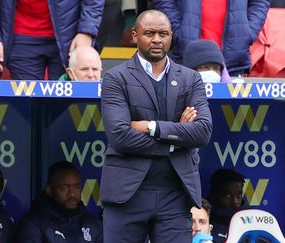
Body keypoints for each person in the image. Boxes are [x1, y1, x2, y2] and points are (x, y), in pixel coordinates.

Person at [100, 9, 213, 243]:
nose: (157, 40)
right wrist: (176, 140)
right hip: (127, 195)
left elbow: (202, 131)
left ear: (171, 36)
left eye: (163, 33)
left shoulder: (190, 78)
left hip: (175, 194)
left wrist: (153, 127)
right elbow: (120, 135)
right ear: (134, 36)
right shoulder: (116, 78)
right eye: (149, 33)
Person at [0, 0, 104, 80]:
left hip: (69, 36)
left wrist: (86, 31)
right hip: (20, 37)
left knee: (66, 105)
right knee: (26, 104)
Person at [152, 0, 269, 76]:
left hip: (233, 61)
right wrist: (178, 32)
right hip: (187, 60)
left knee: (234, 113)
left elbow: (260, 3)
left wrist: (247, 33)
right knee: (187, 113)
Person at [14, 161, 103, 243]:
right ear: (49, 190)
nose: (72, 194)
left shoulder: (92, 223)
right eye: (64, 188)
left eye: (76, 187)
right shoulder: (33, 224)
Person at [208, 169, 246, 243]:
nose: (235, 201)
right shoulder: (203, 219)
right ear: (213, 195)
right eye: (228, 196)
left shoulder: (251, 219)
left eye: (238, 195)